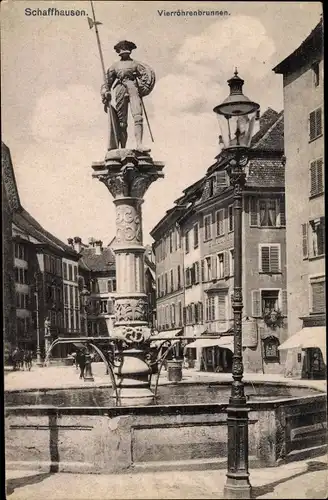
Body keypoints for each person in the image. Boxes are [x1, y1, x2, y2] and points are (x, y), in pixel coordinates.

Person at [101, 40, 155, 151]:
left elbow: (146, 76)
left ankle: (139, 144)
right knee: (122, 122)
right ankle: (122, 147)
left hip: (133, 88)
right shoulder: (114, 66)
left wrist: (141, 87)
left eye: (126, 49)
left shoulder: (136, 64)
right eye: (122, 49)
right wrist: (105, 92)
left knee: (138, 116)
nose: (124, 51)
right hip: (120, 89)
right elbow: (107, 83)